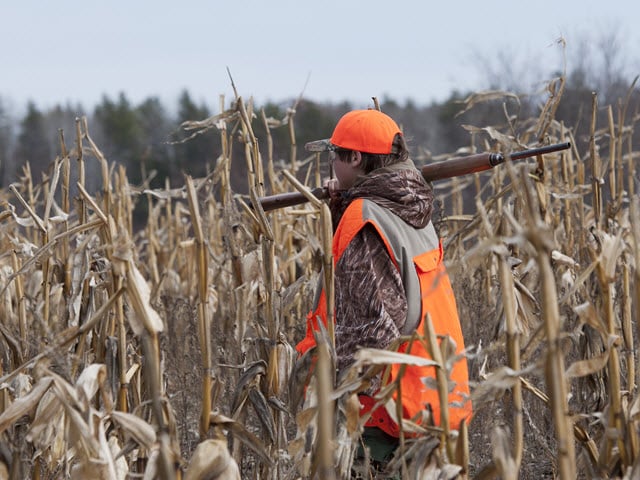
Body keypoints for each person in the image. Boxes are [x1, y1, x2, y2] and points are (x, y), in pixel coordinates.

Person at [295, 109, 472, 475]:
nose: (330, 163)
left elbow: (372, 330)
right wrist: (343, 203)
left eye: (335, 153)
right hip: (430, 395)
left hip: (381, 417)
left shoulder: (366, 217)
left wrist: (333, 399)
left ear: (356, 158)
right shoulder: (411, 208)